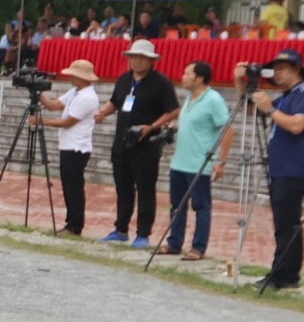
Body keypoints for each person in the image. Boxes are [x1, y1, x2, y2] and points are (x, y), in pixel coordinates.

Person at [96, 39, 177, 248]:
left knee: (145, 190)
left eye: (142, 58)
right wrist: (103, 112)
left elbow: (173, 111)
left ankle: (143, 233)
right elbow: (115, 101)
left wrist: (151, 126)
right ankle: (121, 229)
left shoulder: (161, 83)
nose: (137, 61)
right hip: (122, 142)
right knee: (123, 188)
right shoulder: (124, 79)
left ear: (151, 61)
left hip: (147, 146)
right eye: (134, 57)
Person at [252, 49, 304, 292]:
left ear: (296, 69)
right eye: (276, 69)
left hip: (294, 168)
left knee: (286, 226)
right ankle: (289, 275)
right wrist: (244, 84)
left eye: (283, 68)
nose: (277, 73)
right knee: (286, 224)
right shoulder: (285, 96)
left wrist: (270, 109)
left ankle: (281, 275)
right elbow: (255, 111)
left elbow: (296, 125)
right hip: (282, 168)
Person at [160, 61, 230, 260]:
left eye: (187, 73)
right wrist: (174, 127)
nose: (182, 76)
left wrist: (221, 161)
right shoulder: (190, 96)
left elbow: (227, 130)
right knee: (177, 205)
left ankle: (198, 248)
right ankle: (174, 243)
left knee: (201, 206)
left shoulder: (214, 100)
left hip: (200, 164)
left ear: (199, 78)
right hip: (179, 162)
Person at [32, 59, 100, 235]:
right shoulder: (75, 92)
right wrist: (36, 91)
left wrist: (41, 122)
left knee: (74, 187)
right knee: (69, 186)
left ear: (83, 77)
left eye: (74, 75)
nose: (71, 78)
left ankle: (75, 225)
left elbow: (68, 122)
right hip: (69, 146)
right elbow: (54, 105)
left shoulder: (88, 97)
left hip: (77, 148)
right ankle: (72, 223)